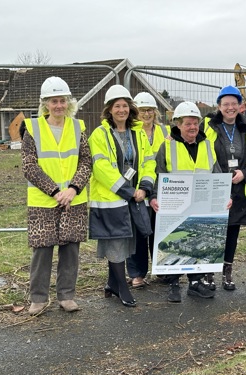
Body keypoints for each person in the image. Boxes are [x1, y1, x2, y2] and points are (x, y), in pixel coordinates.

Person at [21, 76, 92, 315]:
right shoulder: (32, 129)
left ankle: (66, 296)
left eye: (62, 100)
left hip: (74, 199)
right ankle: (38, 298)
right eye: (53, 101)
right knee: (42, 251)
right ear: (45, 104)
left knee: (71, 250)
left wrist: (73, 189)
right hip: (44, 199)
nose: (59, 105)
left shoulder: (78, 127)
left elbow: (86, 161)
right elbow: (29, 166)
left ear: (68, 103)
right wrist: (55, 191)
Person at [149, 101, 230, 303]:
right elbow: (157, 173)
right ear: (178, 124)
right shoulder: (166, 146)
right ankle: (173, 283)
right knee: (176, 241)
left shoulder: (207, 146)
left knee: (198, 242)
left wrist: (224, 196)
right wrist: (153, 197)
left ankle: (195, 283)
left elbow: (217, 174)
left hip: (200, 202)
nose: (193, 127)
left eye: (196, 123)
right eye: (188, 124)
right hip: (174, 203)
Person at [88, 85, 156, 307]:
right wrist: (128, 191)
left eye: (125, 106)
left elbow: (148, 162)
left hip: (135, 197)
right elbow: (101, 167)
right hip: (111, 198)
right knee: (116, 242)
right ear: (109, 109)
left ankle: (111, 283)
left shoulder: (138, 133)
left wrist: (145, 187)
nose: (121, 110)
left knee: (128, 241)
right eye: (117, 106)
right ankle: (122, 289)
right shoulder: (99, 134)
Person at [201, 86, 246, 290]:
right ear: (219, 106)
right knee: (212, 231)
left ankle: (227, 273)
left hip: (238, 188)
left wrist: (244, 174)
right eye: (225, 104)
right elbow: (200, 152)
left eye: (233, 104)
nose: (230, 108)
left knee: (232, 231)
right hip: (214, 186)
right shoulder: (208, 127)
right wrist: (219, 178)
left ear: (240, 106)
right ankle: (208, 273)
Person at [125, 92, 170, 289]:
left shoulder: (165, 131)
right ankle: (137, 274)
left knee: (161, 231)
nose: (146, 114)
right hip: (139, 189)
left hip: (162, 189)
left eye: (150, 110)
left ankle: (162, 270)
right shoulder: (129, 132)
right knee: (138, 233)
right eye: (142, 110)